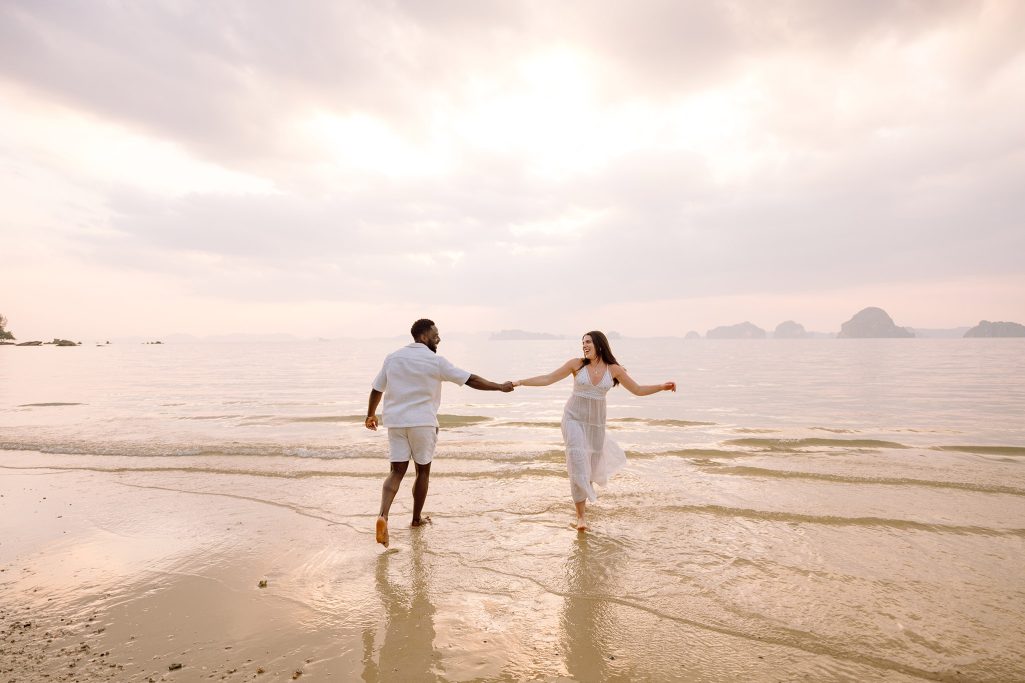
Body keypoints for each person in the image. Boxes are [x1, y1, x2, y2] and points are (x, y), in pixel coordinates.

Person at [366, 318, 513, 547]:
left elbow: (377, 388)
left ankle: (383, 515)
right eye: (435, 334)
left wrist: (371, 414)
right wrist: (499, 386)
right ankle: (416, 520)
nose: (439, 338)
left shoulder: (393, 358)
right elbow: (470, 379)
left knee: (396, 471)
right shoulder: (435, 361)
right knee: (422, 472)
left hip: (395, 422)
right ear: (423, 336)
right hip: (423, 423)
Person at [514, 331, 675, 531]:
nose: (584, 345)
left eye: (588, 342)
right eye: (583, 342)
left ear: (599, 344)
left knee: (588, 467)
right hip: (573, 419)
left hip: (596, 426)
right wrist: (520, 382)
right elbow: (548, 378)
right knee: (578, 462)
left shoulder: (613, 369)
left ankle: (583, 505)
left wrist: (662, 386)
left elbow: (638, 390)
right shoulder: (577, 364)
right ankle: (581, 517)